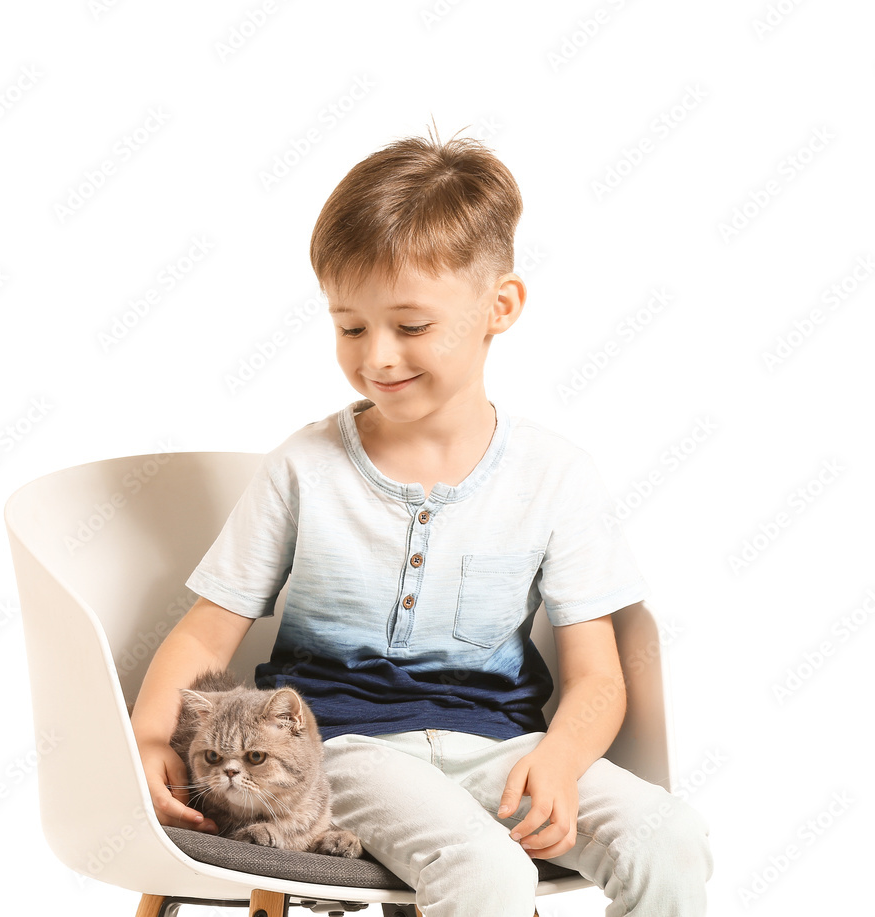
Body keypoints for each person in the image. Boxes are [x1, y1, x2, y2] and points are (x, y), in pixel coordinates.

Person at [129, 129, 713, 916]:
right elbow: (206, 634)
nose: (377, 356)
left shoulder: (557, 474)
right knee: (488, 875)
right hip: (347, 753)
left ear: (498, 307)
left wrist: (564, 759)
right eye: (349, 326)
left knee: (668, 841)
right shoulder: (303, 466)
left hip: (506, 749)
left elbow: (599, 674)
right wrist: (146, 737)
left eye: (409, 326)